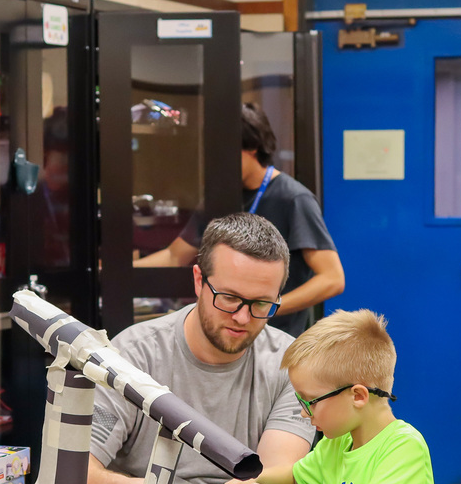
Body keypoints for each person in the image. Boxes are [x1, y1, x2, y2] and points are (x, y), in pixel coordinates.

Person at [88, 213, 316, 484]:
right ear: (198, 281)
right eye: (229, 298)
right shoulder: (132, 355)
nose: (242, 317)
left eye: (262, 304)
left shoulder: (293, 366)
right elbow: (74, 468)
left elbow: (281, 474)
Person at [207, 310, 434, 484]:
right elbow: (294, 480)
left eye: (311, 401)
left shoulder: (403, 446)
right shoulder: (337, 444)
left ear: (358, 396)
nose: (305, 413)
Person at [135, 102, 345, 337]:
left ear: (252, 146)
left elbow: (332, 278)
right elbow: (175, 255)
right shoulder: (219, 196)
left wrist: (263, 308)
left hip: (272, 340)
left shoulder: (293, 198)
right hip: (223, 336)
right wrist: (118, 271)